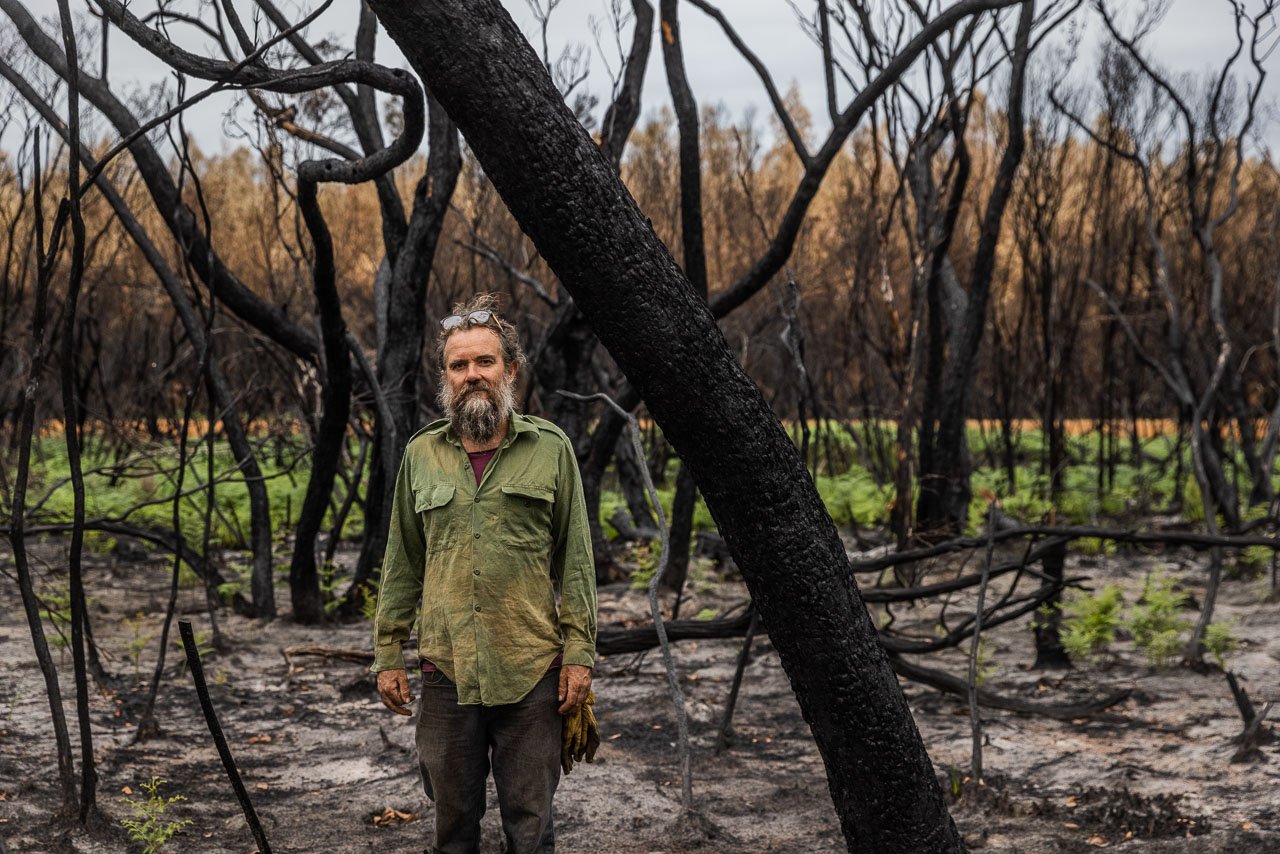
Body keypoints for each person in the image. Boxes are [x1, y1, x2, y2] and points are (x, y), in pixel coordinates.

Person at [371, 294, 597, 854]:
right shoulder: (422, 455)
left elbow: (577, 560)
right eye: (459, 365)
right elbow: (402, 559)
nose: (472, 375)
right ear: (446, 377)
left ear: (510, 370)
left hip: (531, 670)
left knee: (532, 827)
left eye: (485, 363)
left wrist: (579, 656)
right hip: (445, 671)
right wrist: (387, 653)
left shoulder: (550, 449)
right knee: (452, 827)